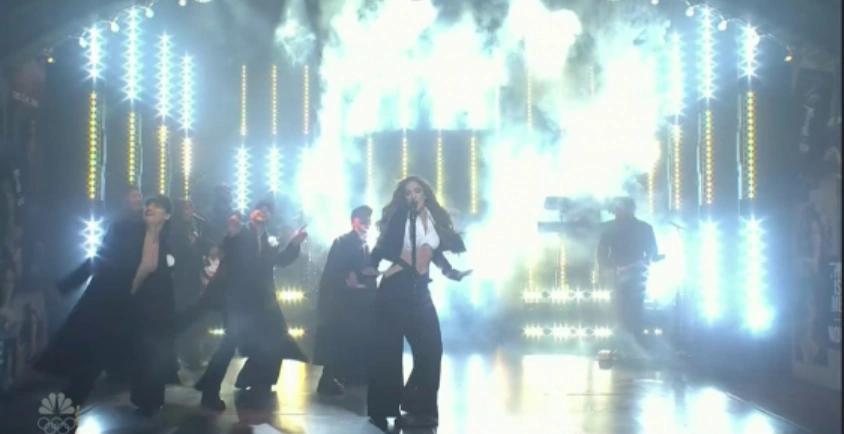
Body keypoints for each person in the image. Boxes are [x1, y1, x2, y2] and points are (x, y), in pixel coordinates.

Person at [33, 195, 176, 416]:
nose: (150, 207)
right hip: (110, 305)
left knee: (146, 356)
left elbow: (160, 281)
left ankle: (147, 402)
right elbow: (99, 260)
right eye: (149, 204)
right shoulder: (123, 230)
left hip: (137, 312)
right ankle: (65, 411)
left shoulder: (165, 241)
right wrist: (67, 284)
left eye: (157, 206)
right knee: (92, 361)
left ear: (167, 215)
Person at [367, 176, 471, 430]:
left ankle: (419, 406)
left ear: (425, 194)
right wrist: (371, 269)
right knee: (388, 352)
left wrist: (451, 272)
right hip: (395, 289)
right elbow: (382, 247)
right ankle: (383, 408)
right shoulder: (400, 218)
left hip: (420, 291)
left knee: (431, 349)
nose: (412, 196)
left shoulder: (434, 220)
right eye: (407, 192)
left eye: (417, 191)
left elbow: (433, 253)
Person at [194, 199, 308, 411]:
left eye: (268, 210)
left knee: (271, 338)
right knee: (229, 344)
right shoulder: (241, 232)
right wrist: (231, 233)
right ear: (252, 213)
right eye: (259, 208)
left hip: (260, 302)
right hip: (236, 300)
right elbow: (226, 247)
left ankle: (253, 380)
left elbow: (280, 261)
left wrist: (294, 244)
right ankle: (209, 390)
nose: (263, 212)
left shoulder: (268, 240)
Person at [313, 205, 376, 396]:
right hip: (342, 301)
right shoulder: (343, 241)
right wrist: (350, 279)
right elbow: (335, 269)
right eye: (362, 218)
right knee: (339, 340)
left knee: (351, 340)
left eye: (368, 219)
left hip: (357, 302)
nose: (366, 222)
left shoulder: (364, 244)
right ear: (353, 221)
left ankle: (349, 377)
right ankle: (329, 380)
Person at [597, 197, 660, 352]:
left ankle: (634, 341)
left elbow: (652, 251)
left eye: (623, 207)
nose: (620, 211)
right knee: (619, 307)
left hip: (637, 273)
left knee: (635, 307)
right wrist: (607, 268)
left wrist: (646, 261)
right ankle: (623, 342)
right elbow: (602, 253)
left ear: (632, 209)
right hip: (618, 273)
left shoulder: (644, 228)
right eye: (618, 208)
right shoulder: (609, 228)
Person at [56, 185, 144, 295]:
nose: (138, 199)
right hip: (117, 279)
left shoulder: (145, 224)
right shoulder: (117, 227)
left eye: (139, 196)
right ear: (125, 200)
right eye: (134, 196)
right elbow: (101, 257)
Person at [170, 198, 213, 370]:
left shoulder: (197, 226)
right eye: (185, 208)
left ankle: (194, 355)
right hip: (180, 279)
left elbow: (204, 246)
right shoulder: (173, 229)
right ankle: (183, 356)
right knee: (183, 318)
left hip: (195, 278)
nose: (188, 211)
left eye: (190, 207)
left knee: (196, 319)